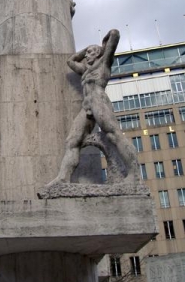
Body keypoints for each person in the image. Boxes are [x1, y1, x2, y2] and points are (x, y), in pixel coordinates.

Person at [48, 29, 138, 185]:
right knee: (72, 141)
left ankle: (134, 175)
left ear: (97, 54)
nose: (86, 55)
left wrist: (102, 48)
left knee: (114, 135)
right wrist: (86, 49)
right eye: (86, 53)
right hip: (87, 105)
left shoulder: (104, 62)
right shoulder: (85, 70)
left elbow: (115, 34)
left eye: (90, 53)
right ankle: (63, 177)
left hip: (99, 100)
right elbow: (70, 61)